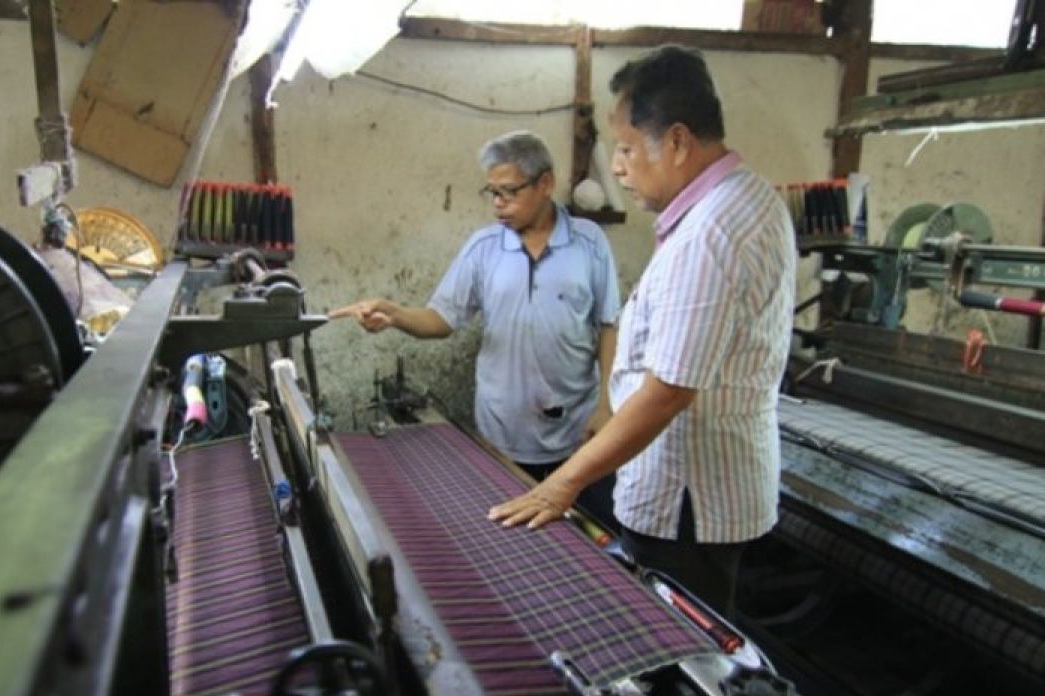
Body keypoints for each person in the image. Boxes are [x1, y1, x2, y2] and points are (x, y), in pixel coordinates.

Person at [489, 47, 796, 619]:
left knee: (684, 655)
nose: (620, 167)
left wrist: (561, 485)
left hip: (688, 501)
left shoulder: (712, 232)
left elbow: (668, 391)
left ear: (677, 142)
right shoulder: (750, 198)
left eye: (628, 149)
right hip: (708, 488)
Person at [330, 130, 620, 529]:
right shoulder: (483, 247)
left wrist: (606, 407)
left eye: (509, 192)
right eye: (492, 193)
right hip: (501, 431)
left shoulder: (590, 244)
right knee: (508, 536)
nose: (498, 205)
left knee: (585, 542)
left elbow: (608, 325)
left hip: (576, 433)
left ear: (546, 184)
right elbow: (442, 319)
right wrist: (395, 314)